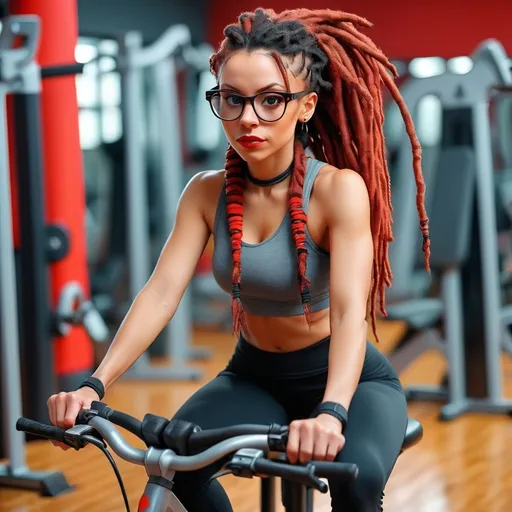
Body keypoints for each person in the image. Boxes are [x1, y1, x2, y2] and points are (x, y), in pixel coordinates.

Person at [47, 8, 430, 511]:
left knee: (355, 483)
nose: (248, 118)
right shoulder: (206, 193)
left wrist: (332, 412)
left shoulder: (338, 191)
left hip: (351, 382)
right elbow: (161, 293)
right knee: (173, 461)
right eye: (233, 100)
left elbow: (347, 312)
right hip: (254, 374)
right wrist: (94, 385)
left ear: (306, 105)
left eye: (271, 100)